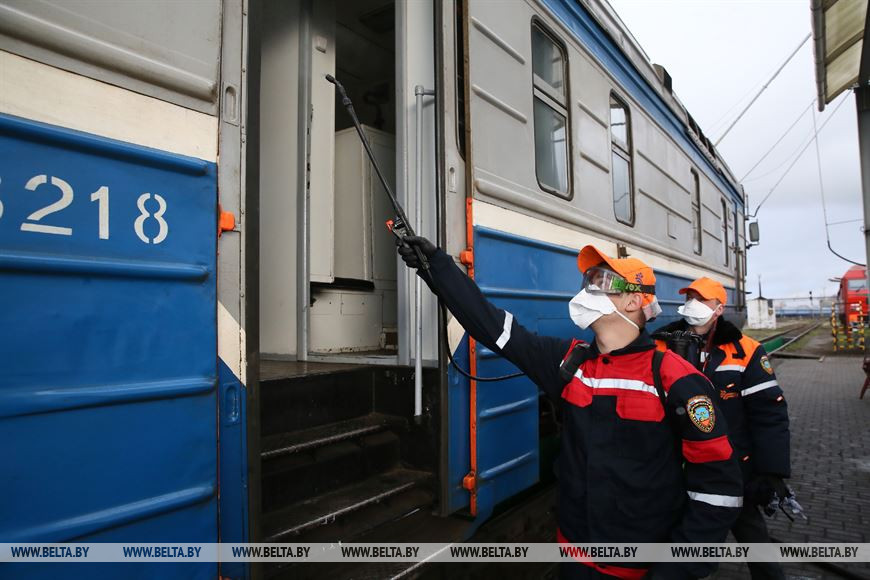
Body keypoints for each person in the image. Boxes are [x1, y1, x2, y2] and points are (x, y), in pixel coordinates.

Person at [397, 237, 743, 579]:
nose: (588, 290)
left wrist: (679, 570)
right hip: (575, 558)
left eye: (603, 282)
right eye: (588, 280)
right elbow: (491, 325)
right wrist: (437, 267)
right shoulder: (570, 362)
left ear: (635, 301)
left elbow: (718, 489)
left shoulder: (674, 378)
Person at [653, 277, 790, 580]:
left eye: (701, 300)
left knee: (753, 537)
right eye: (689, 298)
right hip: (676, 467)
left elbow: (769, 414)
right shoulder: (660, 344)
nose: (693, 305)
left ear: (718, 309)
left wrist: (771, 472)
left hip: (732, 470)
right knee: (681, 539)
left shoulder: (747, 351)